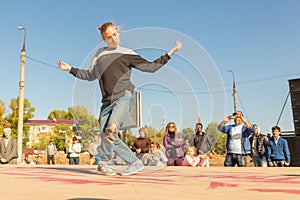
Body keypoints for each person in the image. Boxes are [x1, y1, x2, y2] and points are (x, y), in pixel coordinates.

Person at [58, 21, 182, 175]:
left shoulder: (127, 53)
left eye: (115, 35)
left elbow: (150, 67)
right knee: (106, 135)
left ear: (118, 33)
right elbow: (90, 75)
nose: (113, 39)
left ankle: (102, 162)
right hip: (106, 102)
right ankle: (135, 162)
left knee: (111, 129)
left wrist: (170, 53)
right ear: (104, 39)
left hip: (124, 96)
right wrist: (70, 69)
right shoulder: (99, 55)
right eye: (109, 37)